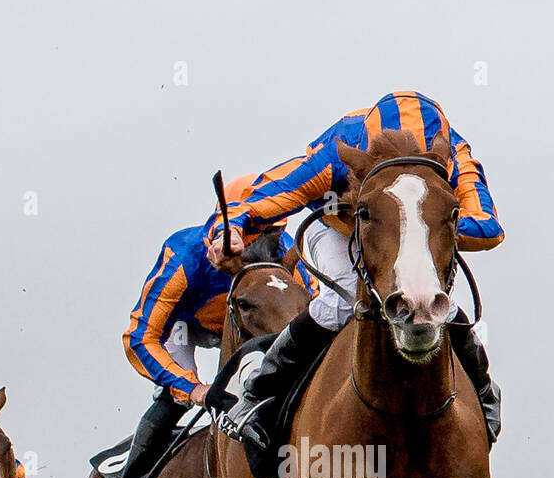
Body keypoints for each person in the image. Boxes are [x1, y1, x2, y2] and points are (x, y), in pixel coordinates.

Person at [214, 91, 504, 451]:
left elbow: (489, 228)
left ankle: (483, 392)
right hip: (341, 226)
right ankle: (259, 394)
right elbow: (277, 190)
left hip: (412, 229)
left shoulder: (456, 155)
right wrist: (233, 227)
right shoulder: (339, 149)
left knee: (433, 295)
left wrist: (417, 227)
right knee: (343, 302)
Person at [101, 179, 315, 478]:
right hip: (186, 327)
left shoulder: (286, 255)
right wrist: (192, 388)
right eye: (253, 233)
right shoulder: (185, 255)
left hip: (250, 323)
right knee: (173, 400)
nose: (263, 243)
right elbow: (140, 337)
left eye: (272, 231)